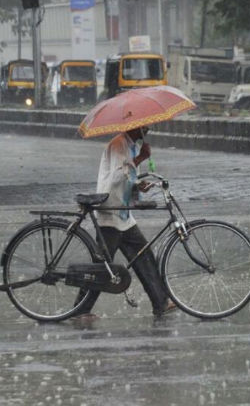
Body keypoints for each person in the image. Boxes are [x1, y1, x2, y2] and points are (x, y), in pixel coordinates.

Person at [75, 126, 176, 319]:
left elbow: (127, 177)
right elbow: (115, 177)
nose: (148, 129)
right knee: (102, 266)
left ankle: (161, 302)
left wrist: (138, 184)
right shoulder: (118, 145)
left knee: (144, 256)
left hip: (124, 215)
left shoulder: (131, 146)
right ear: (135, 125)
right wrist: (139, 160)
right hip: (111, 213)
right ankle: (80, 309)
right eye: (145, 126)